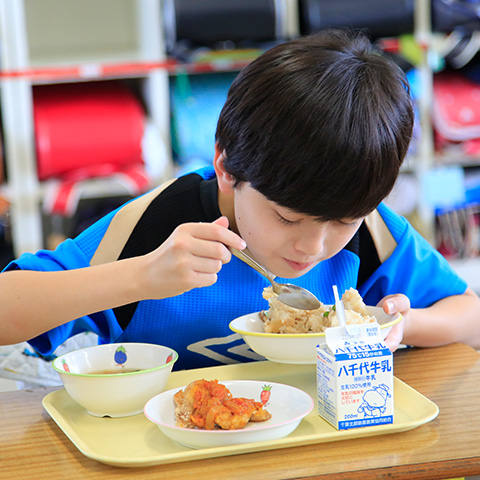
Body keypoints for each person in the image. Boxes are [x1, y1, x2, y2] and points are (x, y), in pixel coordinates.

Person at [1, 29, 479, 371]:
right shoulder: (158, 225)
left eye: (342, 222)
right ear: (227, 167)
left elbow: (470, 315)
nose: (313, 247)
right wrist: (139, 277)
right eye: (286, 217)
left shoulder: (370, 225)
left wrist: (401, 325)